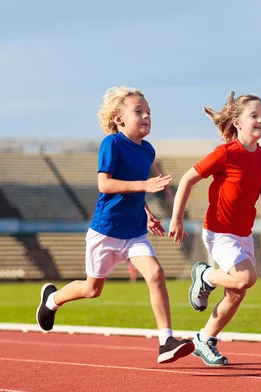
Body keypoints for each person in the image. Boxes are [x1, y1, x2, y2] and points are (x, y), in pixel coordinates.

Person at [36, 85, 194, 364]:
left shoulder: (148, 151)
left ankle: (165, 341)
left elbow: (135, 190)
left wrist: (146, 213)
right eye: (138, 111)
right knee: (92, 290)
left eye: (149, 112)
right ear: (119, 119)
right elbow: (105, 184)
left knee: (156, 274)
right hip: (106, 231)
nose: (146, 116)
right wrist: (145, 185)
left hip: (134, 232)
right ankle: (51, 300)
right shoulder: (112, 143)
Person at [168, 91, 261, 366]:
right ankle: (205, 276)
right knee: (245, 279)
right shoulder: (225, 153)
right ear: (237, 123)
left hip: (244, 234)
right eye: (254, 115)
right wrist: (177, 218)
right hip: (219, 231)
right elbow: (187, 179)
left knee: (237, 292)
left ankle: (204, 340)